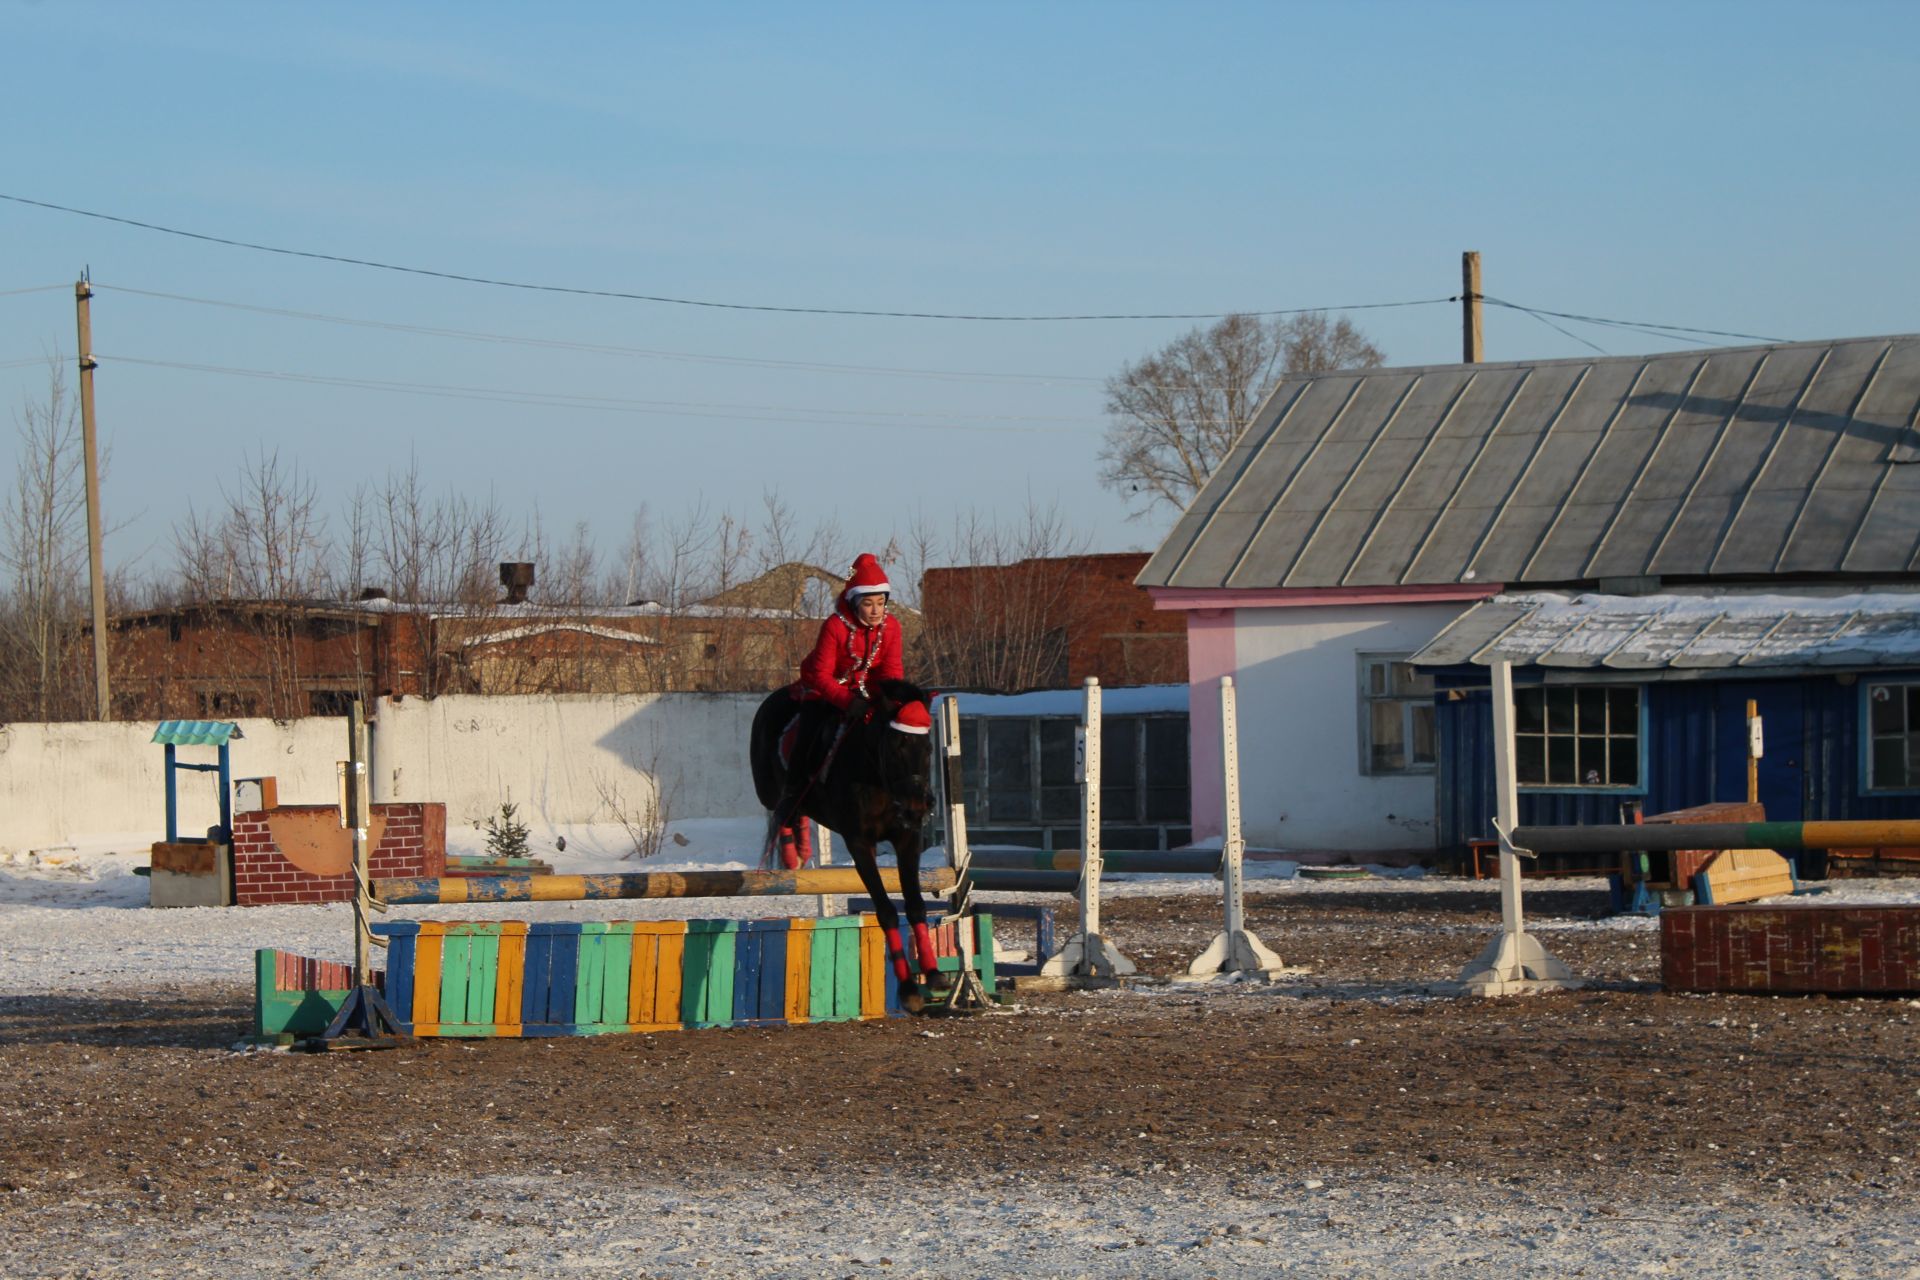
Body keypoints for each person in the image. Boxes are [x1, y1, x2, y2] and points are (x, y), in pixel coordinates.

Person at [769, 553, 906, 865]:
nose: (875, 611)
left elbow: (892, 671)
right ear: (855, 602)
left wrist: (888, 702)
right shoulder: (834, 626)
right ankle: (791, 806)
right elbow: (820, 675)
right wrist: (848, 701)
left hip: (866, 694)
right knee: (808, 736)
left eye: (880, 603)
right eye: (868, 604)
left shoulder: (893, 627)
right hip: (825, 691)